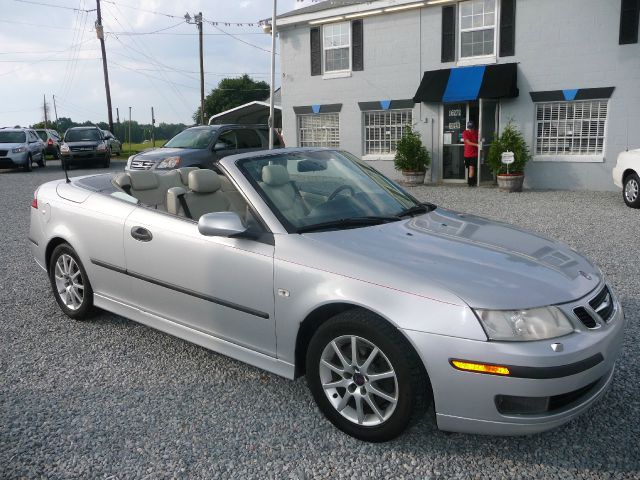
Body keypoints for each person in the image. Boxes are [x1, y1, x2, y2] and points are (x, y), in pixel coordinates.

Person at [462, 121, 479, 187]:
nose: (470, 129)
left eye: (471, 128)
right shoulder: (465, 132)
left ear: (474, 127)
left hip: (474, 154)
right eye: (469, 128)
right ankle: (472, 181)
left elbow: (481, 139)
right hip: (467, 154)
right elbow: (468, 142)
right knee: (469, 168)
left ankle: (470, 183)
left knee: (472, 167)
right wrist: (477, 145)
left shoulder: (476, 132)